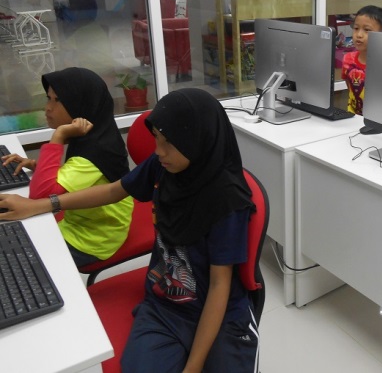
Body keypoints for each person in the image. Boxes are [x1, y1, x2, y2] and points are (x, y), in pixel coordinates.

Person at [0, 88, 259, 372]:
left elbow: (220, 285)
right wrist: (40, 206)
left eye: (169, 143)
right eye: (156, 138)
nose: (158, 151)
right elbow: (114, 190)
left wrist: (193, 367)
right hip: (166, 306)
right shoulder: (163, 166)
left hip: (219, 313)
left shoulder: (227, 201)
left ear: (198, 141)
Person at [1, 67, 133, 267]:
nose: (47, 108)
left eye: (58, 100)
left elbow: (40, 195)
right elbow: (72, 176)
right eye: (48, 98)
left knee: (13, 257)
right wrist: (38, 166)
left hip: (92, 239)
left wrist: (59, 135)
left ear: (81, 104)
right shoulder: (95, 136)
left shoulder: (94, 153)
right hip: (80, 223)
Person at [341, 5, 382, 115]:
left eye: (367, 30)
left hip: (377, 120)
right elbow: (350, 88)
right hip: (352, 117)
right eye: (356, 28)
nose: (359, 35)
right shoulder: (348, 59)